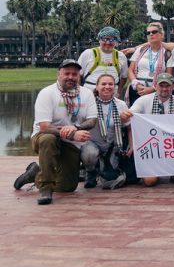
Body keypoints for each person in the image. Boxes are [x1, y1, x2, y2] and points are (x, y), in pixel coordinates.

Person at [13, 60, 97, 205]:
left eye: (74, 74)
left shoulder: (86, 93)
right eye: (67, 73)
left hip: (71, 142)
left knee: (67, 187)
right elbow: (44, 126)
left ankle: (35, 173)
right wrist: (71, 133)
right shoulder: (47, 93)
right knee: (48, 140)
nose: (71, 77)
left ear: (79, 76)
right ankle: (45, 188)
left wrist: (75, 129)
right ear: (58, 74)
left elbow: (92, 121)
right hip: (44, 137)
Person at [124, 72, 174, 187]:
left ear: (173, 86)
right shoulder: (144, 100)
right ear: (155, 86)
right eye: (161, 85)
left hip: (170, 144)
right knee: (150, 181)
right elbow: (131, 114)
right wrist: (125, 114)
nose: (164, 89)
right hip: (151, 145)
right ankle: (156, 169)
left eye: (167, 86)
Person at [80, 74, 132, 190]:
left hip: (112, 145)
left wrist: (131, 146)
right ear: (97, 87)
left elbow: (129, 128)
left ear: (115, 87)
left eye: (110, 84)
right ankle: (90, 172)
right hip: (93, 143)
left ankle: (103, 167)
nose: (107, 87)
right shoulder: (89, 103)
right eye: (103, 84)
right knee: (89, 154)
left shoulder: (121, 104)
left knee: (109, 177)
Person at [127, 22, 172, 106]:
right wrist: (136, 84)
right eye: (148, 33)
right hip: (137, 88)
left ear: (161, 35)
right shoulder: (140, 50)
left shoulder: (167, 54)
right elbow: (130, 70)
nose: (151, 34)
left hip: (157, 90)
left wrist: (152, 89)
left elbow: (169, 76)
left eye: (154, 32)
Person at [78, 26, 128, 94]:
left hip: (112, 92)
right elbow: (78, 74)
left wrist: (119, 92)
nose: (108, 43)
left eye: (112, 39)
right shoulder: (88, 53)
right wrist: (78, 92)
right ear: (99, 40)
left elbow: (124, 77)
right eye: (104, 39)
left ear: (116, 41)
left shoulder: (121, 56)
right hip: (90, 91)